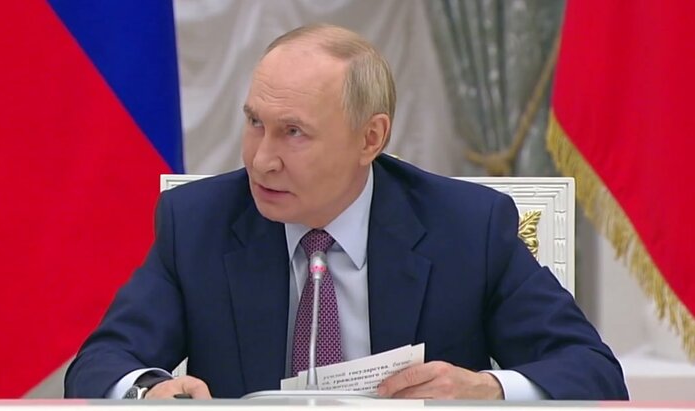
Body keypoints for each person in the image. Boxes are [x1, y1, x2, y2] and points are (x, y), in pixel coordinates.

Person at [64, 23, 628, 400]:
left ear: (370, 139)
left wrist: (488, 389)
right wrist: (150, 390)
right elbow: (101, 362)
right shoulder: (197, 222)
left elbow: (591, 369)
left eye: (293, 133)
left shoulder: (467, 227)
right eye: (255, 123)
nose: (261, 160)